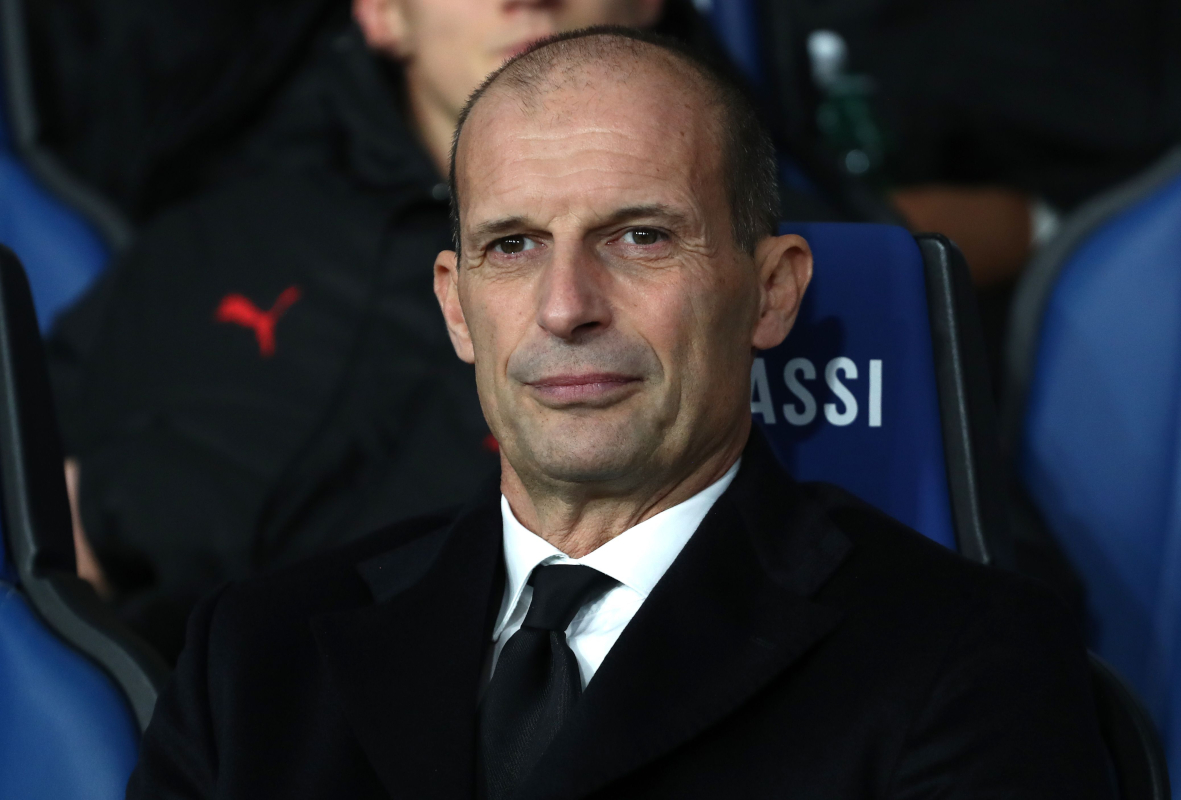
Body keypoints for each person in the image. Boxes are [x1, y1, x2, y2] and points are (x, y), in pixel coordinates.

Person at [128, 29, 1112, 799]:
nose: (565, 305)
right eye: (511, 246)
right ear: (454, 304)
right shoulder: (253, 655)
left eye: (640, 236)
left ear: (770, 291)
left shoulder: (969, 658)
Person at [50, 0, 850, 663]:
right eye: (509, 246)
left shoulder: (769, 275)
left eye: (638, 237)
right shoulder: (203, 243)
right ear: (381, 15)